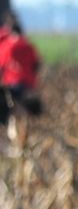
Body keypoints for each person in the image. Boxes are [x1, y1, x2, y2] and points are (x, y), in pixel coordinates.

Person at [0, 13, 43, 150]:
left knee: (10, 112)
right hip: (29, 84)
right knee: (26, 113)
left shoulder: (9, 45)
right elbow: (37, 64)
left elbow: (2, 65)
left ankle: (12, 140)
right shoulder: (29, 45)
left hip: (14, 83)